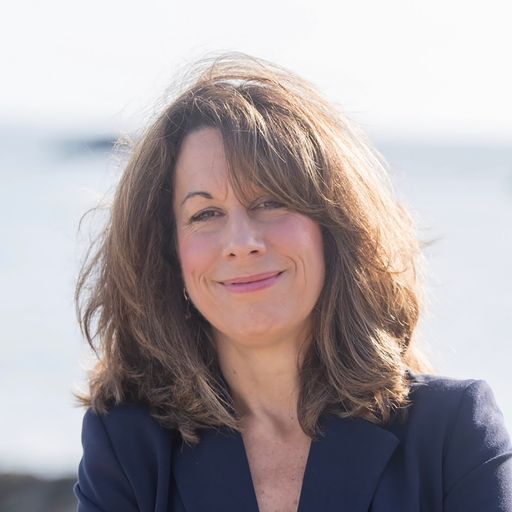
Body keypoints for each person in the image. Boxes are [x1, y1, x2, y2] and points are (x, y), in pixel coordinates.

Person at [73, 53, 512, 512]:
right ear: (168, 255)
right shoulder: (128, 443)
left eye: (270, 202)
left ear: (335, 227)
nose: (242, 243)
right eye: (206, 213)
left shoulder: (452, 434)